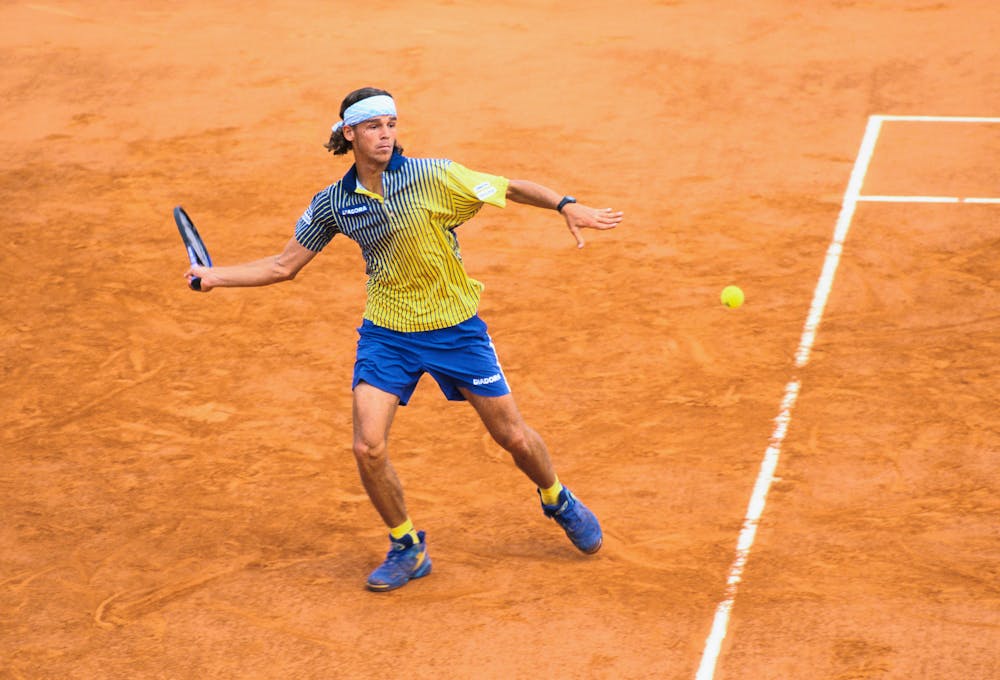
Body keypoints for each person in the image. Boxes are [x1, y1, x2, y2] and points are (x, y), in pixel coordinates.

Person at [185, 86, 624, 592]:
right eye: (374, 126)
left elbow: (509, 187)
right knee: (367, 447)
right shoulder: (334, 203)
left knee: (513, 438)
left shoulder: (432, 176)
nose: (386, 135)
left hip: (455, 328)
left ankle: (556, 498)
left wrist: (565, 205)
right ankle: (407, 546)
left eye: (392, 124)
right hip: (387, 333)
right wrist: (216, 277)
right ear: (349, 134)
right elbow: (284, 266)